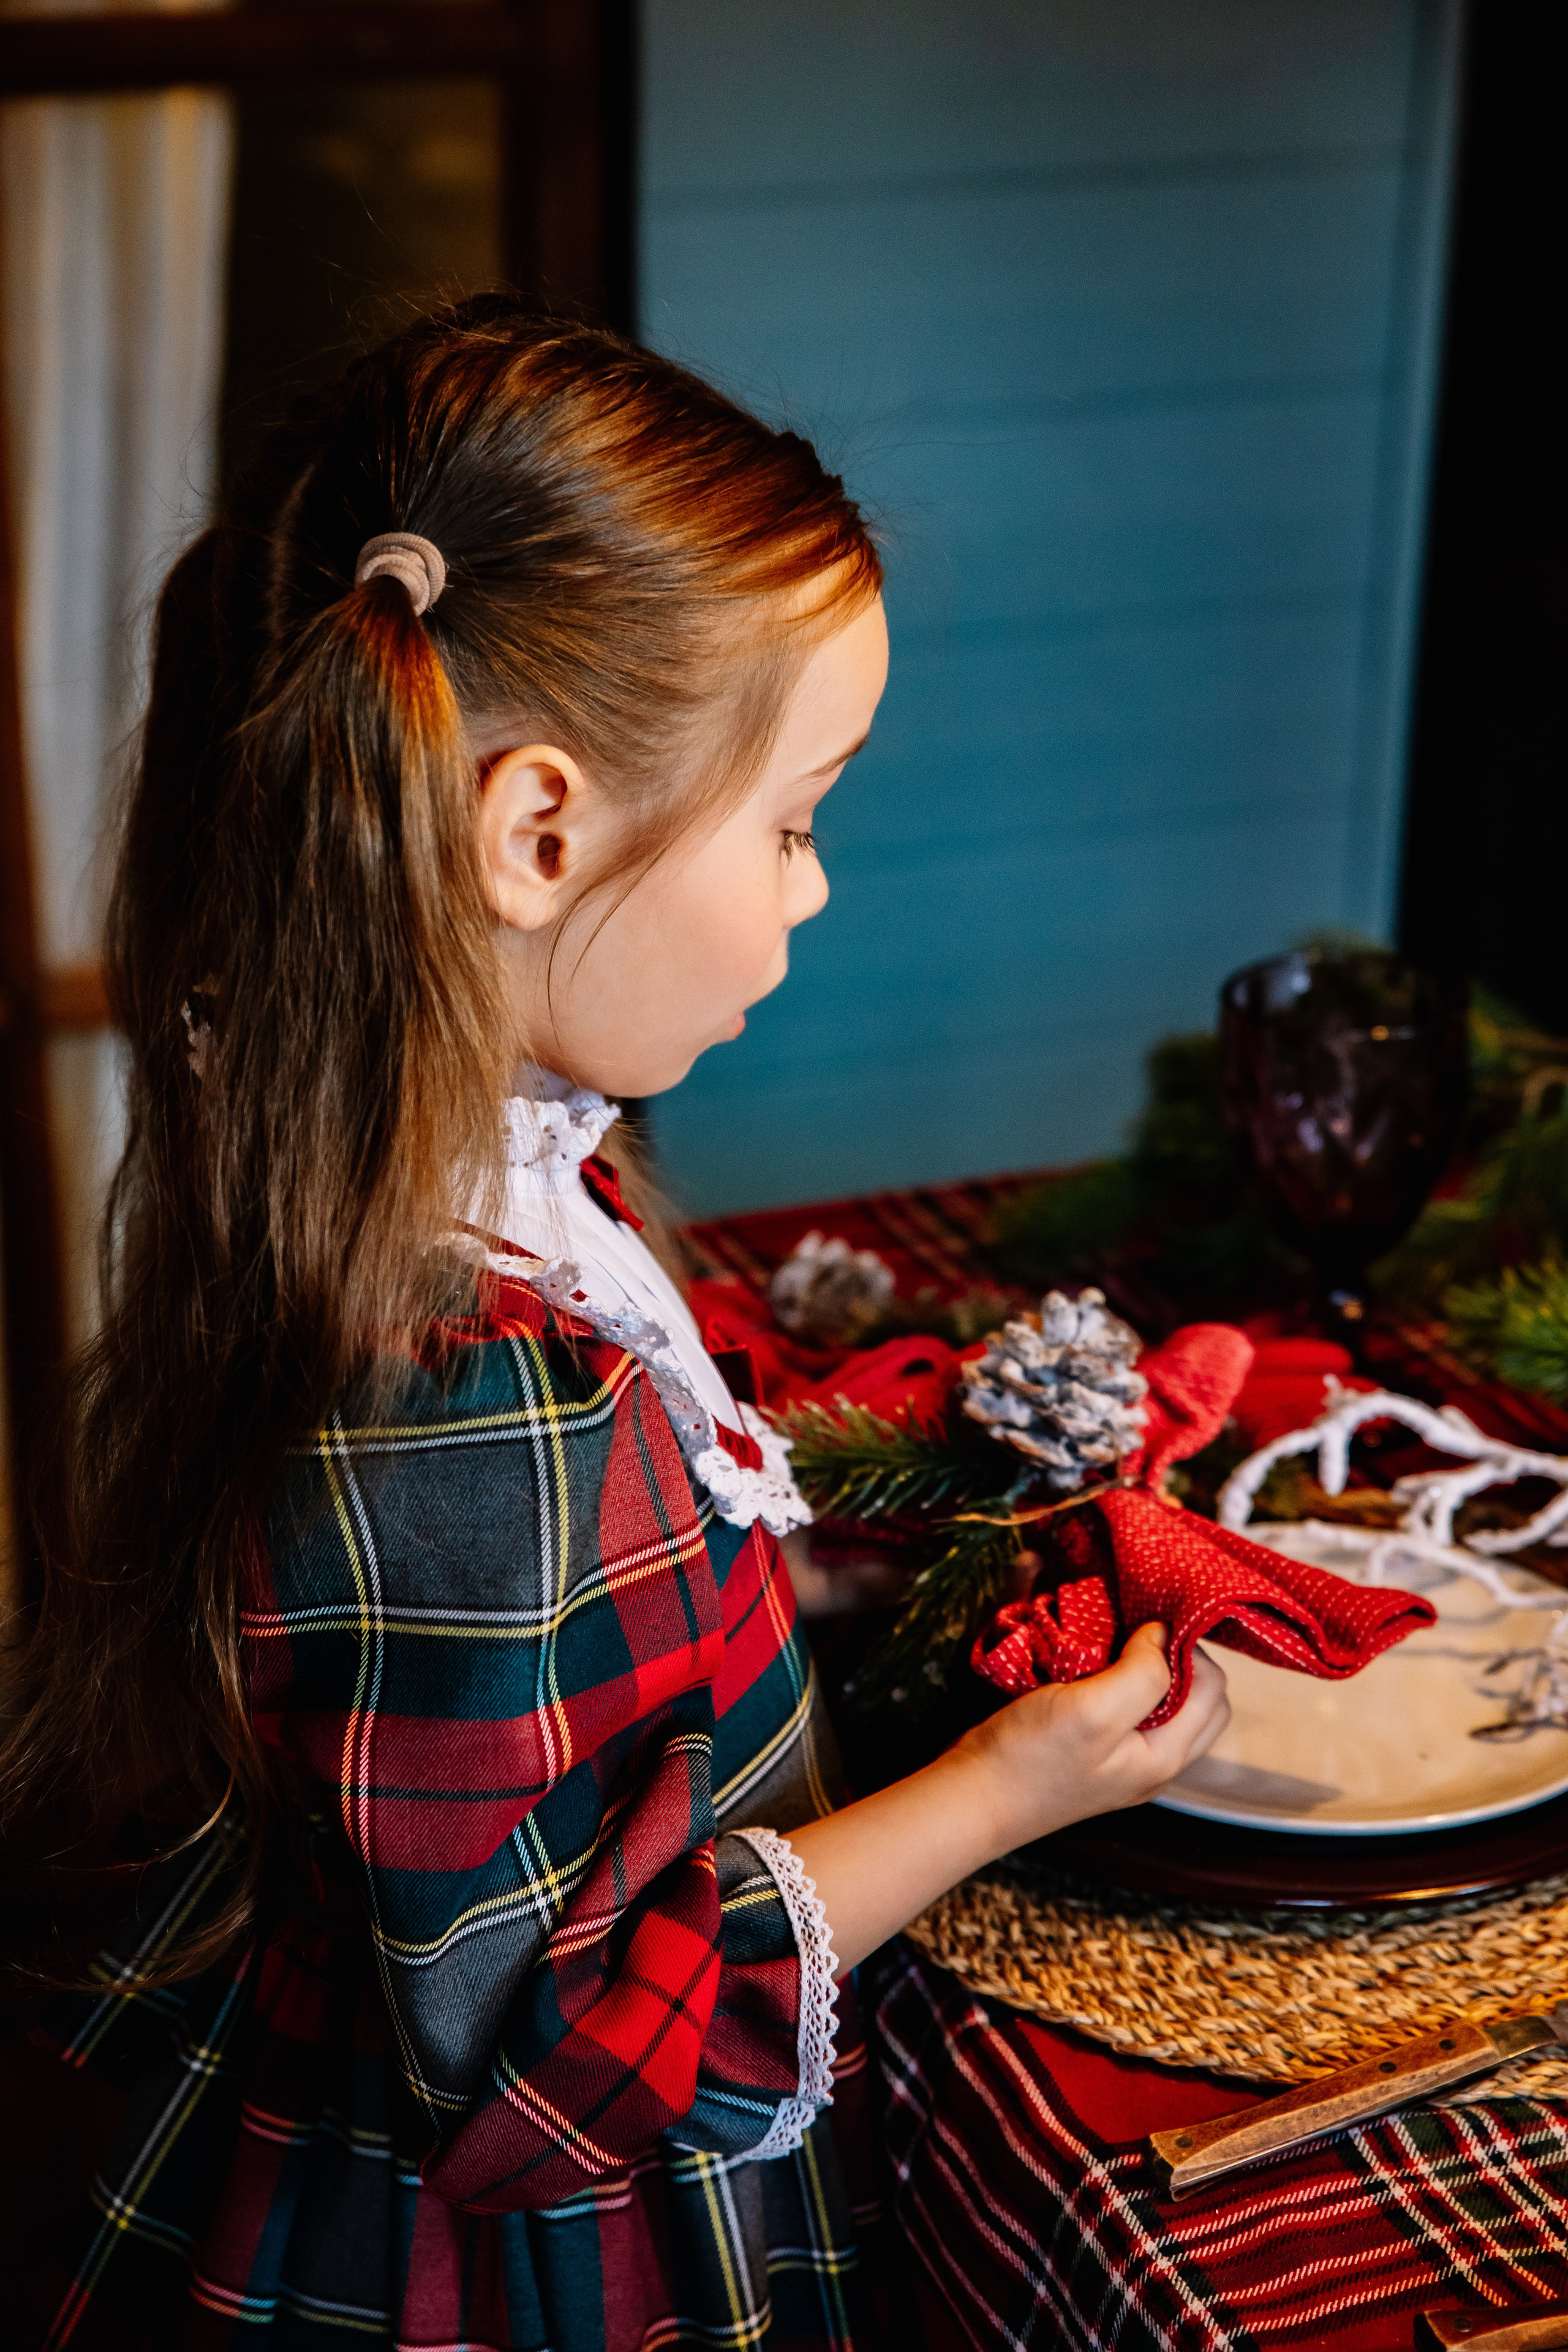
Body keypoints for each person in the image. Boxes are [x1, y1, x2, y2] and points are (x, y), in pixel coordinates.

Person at [2, 298, 1229, 2351]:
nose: (814, 890)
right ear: (539, 831)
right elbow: (549, 2059)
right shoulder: (464, 1401)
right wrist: (1011, 1788)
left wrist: (800, 1564)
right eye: (795, 818)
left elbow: (580, 1662)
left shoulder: (456, 1190)